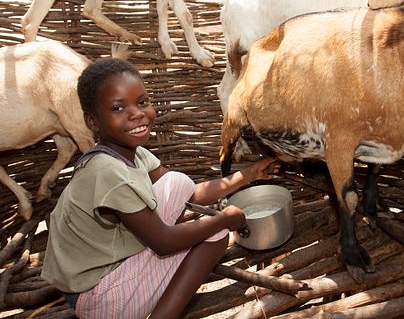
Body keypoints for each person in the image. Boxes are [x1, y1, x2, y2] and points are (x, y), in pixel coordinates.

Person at [41, 58, 278, 318]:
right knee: (215, 234)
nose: (137, 113)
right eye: (118, 108)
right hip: (99, 299)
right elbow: (164, 243)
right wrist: (226, 220)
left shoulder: (131, 154)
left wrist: (249, 174)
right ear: (93, 121)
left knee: (175, 182)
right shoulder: (106, 171)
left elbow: (190, 194)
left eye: (142, 102)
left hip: (102, 277)